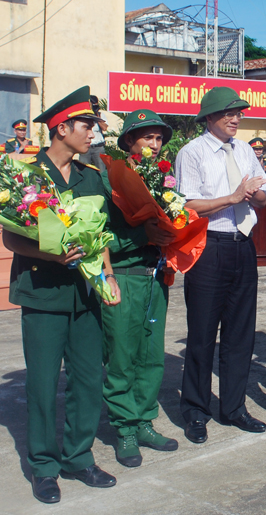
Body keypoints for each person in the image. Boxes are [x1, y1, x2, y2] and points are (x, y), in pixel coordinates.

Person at [2, 86, 121, 503]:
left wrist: (107, 276)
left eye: (93, 125)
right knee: (42, 382)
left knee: (89, 379)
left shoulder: (91, 176)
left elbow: (100, 234)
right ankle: (44, 466)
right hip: (43, 291)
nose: (93, 133)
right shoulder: (28, 175)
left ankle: (79, 457)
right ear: (62, 128)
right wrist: (52, 253)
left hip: (85, 292)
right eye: (86, 125)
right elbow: (13, 239)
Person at [176, 87, 266, 442]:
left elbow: (262, 198)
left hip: (242, 245)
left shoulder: (245, 150)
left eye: (239, 113)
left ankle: (233, 407)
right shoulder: (193, 152)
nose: (236, 119)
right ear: (209, 117)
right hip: (209, 248)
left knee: (240, 334)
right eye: (229, 114)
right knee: (202, 335)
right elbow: (187, 205)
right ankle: (196, 411)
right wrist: (232, 197)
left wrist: (254, 194)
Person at [102, 109, 179, 467]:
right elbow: (100, 239)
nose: (154, 144)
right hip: (124, 274)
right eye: (147, 137)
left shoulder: (163, 179)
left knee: (151, 355)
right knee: (122, 356)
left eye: (159, 138)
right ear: (129, 141)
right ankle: (125, 428)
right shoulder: (110, 180)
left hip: (155, 276)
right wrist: (140, 235)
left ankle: (145, 420)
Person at [78, 95, 108, 171]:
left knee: (101, 170)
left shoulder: (100, 115)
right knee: (83, 169)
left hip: (98, 147)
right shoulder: (83, 115)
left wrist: (97, 116)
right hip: (85, 146)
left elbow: (104, 128)